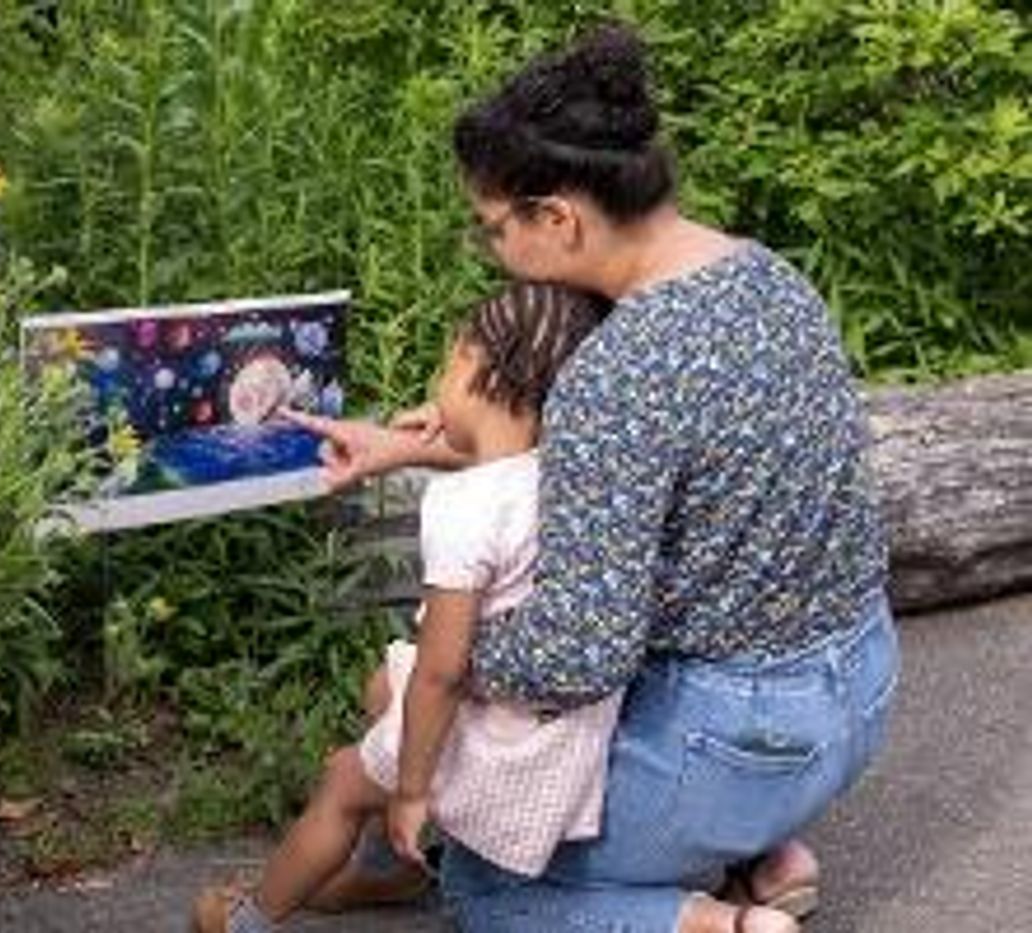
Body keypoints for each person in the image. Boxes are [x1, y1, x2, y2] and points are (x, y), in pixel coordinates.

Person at [281, 21, 898, 933]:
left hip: (737, 737)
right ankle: (756, 852)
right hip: (860, 693)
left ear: (558, 217)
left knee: (490, 887)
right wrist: (403, 446)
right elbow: (627, 465)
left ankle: (714, 912)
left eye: (494, 227)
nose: (491, 251)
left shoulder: (620, 370)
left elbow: (577, 659)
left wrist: (432, 674)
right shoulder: (765, 276)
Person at [192, 282, 617, 933]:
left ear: (481, 372)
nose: (440, 381)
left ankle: (255, 916)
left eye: (450, 364)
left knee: (342, 781)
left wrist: (413, 789)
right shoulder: (573, 473)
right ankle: (399, 870)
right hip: (557, 742)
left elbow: (442, 671)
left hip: (492, 741)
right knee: (380, 684)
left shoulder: (463, 506)